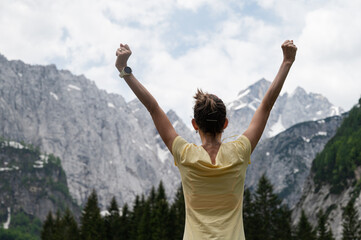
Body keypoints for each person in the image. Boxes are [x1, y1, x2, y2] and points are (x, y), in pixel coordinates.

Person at [115, 40, 297, 240]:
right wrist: (287, 61)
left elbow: (153, 107)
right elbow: (266, 105)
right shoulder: (239, 152)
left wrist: (124, 70)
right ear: (225, 123)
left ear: (194, 124)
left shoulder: (185, 154)